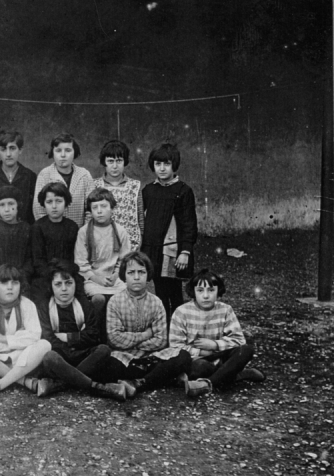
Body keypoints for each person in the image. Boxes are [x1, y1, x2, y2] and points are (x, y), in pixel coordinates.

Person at [105, 252, 202, 398]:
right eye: (131, 273)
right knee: (109, 365)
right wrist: (146, 335)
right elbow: (114, 339)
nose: (136, 277)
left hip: (153, 357)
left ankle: (139, 383)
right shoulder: (114, 302)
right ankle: (162, 379)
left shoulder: (156, 302)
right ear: (124, 276)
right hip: (125, 357)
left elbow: (161, 340)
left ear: (148, 275)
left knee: (183, 356)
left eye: (141, 272)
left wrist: (131, 342)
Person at [159, 269, 265, 397]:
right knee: (200, 367)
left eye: (211, 290)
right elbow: (175, 346)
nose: (205, 296)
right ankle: (237, 375)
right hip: (195, 360)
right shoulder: (182, 312)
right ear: (193, 292)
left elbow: (239, 340)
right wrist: (201, 352)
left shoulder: (225, 310)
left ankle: (208, 384)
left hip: (219, 356)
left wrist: (214, 344)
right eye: (200, 290)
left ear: (218, 291)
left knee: (246, 349)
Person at [33, 260, 125, 401]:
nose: (64, 288)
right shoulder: (45, 306)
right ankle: (96, 387)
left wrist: (67, 337)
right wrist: (77, 338)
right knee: (49, 357)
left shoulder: (83, 303)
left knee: (104, 350)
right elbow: (48, 339)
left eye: (68, 283)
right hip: (61, 357)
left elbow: (93, 335)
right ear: (51, 287)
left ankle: (61, 384)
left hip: (82, 355)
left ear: (75, 284)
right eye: (58, 284)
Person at [0, 265, 51, 398]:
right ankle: (24, 381)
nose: (10, 287)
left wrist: (4, 339)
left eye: (15, 282)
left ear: (20, 285)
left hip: (22, 355)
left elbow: (35, 336)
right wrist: (18, 339)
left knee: (44, 344)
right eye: (4, 282)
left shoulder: (27, 304)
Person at [141, 143, 198, 320]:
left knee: (174, 292)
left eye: (166, 164)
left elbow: (189, 224)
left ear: (174, 165)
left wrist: (185, 251)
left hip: (173, 251)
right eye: (158, 164)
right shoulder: (149, 190)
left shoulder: (183, 191)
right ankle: (162, 329)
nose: (162, 168)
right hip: (154, 249)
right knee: (159, 291)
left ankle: (178, 328)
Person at [75, 187, 131, 341]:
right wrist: (96, 278)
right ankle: (97, 336)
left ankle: (118, 335)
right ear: (90, 211)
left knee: (125, 296)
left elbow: (124, 260)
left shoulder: (121, 232)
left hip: (115, 279)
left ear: (112, 208)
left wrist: (116, 275)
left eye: (104, 206)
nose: (99, 211)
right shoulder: (84, 232)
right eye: (95, 208)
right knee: (98, 299)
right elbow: (80, 262)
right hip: (93, 279)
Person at [0, 186, 34, 302]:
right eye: (2, 205)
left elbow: (29, 260)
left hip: (20, 280)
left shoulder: (26, 228)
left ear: (18, 205)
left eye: (11, 204)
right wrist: (3, 277)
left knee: (24, 303)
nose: (6, 209)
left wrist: (18, 277)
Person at [30, 182, 79, 301]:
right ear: (43, 204)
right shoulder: (38, 227)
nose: (54, 206)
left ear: (66, 203)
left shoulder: (72, 227)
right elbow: (38, 260)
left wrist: (66, 275)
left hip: (68, 275)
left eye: (58, 201)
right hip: (45, 277)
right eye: (49, 202)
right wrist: (53, 276)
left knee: (79, 296)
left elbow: (73, 257)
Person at [32, 132, 94, 226]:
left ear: (75, 152)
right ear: (52, 152)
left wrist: (83, 233)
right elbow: (39, 210)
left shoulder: (84, 175)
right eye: (58, 150)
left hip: (79, 234)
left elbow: (91, 208)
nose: (63, 155)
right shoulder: (44, 175)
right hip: (51, 234)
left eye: (68, 150)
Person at [92, 140, 144, 251]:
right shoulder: (94, 185)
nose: (115, 166)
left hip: (130, 246)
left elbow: (140, 218)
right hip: (101, 247)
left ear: (125, 162)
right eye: (110, 161)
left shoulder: (135, 186)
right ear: (104, 162)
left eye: (119, 161)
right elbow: (88, 217)